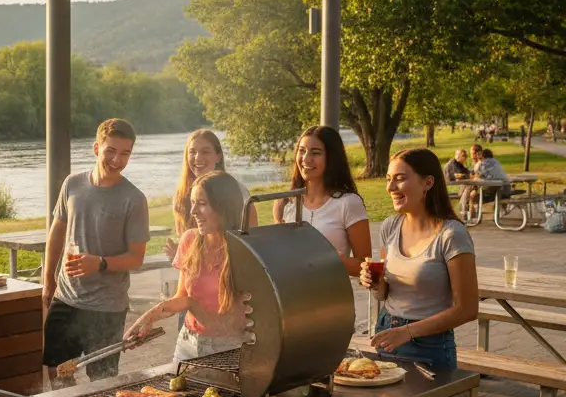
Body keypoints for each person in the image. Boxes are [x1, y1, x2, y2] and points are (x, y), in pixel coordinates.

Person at [42, 118, 150, 382]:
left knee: (102, 384)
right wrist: (48, 281)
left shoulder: (134, 199)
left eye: (125, 153)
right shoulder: (72, 184)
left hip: (107, 308)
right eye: (110, 151)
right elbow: (57, 232)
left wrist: (99, 263)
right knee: (57, 375)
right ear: (96, 148)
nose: (117, 160)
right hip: (66, 299)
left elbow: (137, 258)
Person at [360, 148, 478, 370]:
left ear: (427, 183)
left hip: (428, 347)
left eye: (400, 179)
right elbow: (384, 293)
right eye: (388, 180)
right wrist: (374, 282)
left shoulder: (451, 235)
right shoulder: (390, 227)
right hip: (387, 335)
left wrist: (407, 332)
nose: (390, 187)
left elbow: (468, 308)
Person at [128, 171, 251, 362]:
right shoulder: (190, 240)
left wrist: (191, 304)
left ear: (224, 206)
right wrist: (148, 318)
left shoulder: (244, 250)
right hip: (188, 343)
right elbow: (182, 296)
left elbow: (231, 323)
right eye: (192, 203)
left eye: (202, 204)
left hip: (228, 349)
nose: (193, 211)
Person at [272, 125, 370, 277]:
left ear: (332, 158)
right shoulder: (284, 202)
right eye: (302, 150)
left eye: (315, 153)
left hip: (332, 297)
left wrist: (334, 260)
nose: (306, 159)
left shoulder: (349, 203)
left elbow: (366, 266)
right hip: (291, 297)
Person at [165, 129, 256, 262]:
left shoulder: (238, 191)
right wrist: (180, 254)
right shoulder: (181, 196)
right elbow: (186, 244)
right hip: (194, 272)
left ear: (218, 156)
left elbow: (252, 240)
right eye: (192, 152)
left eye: (205, 152)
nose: (197, 158)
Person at [460, 146, 510, 219]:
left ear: (481, 155)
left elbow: (478, 177)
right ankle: (469, 214)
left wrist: (475, 187)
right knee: (470, 191)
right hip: (505, 191)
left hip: (494, 193)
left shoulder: (482, 164)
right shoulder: (496, 162)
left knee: (469, 194)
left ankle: (467, 215)